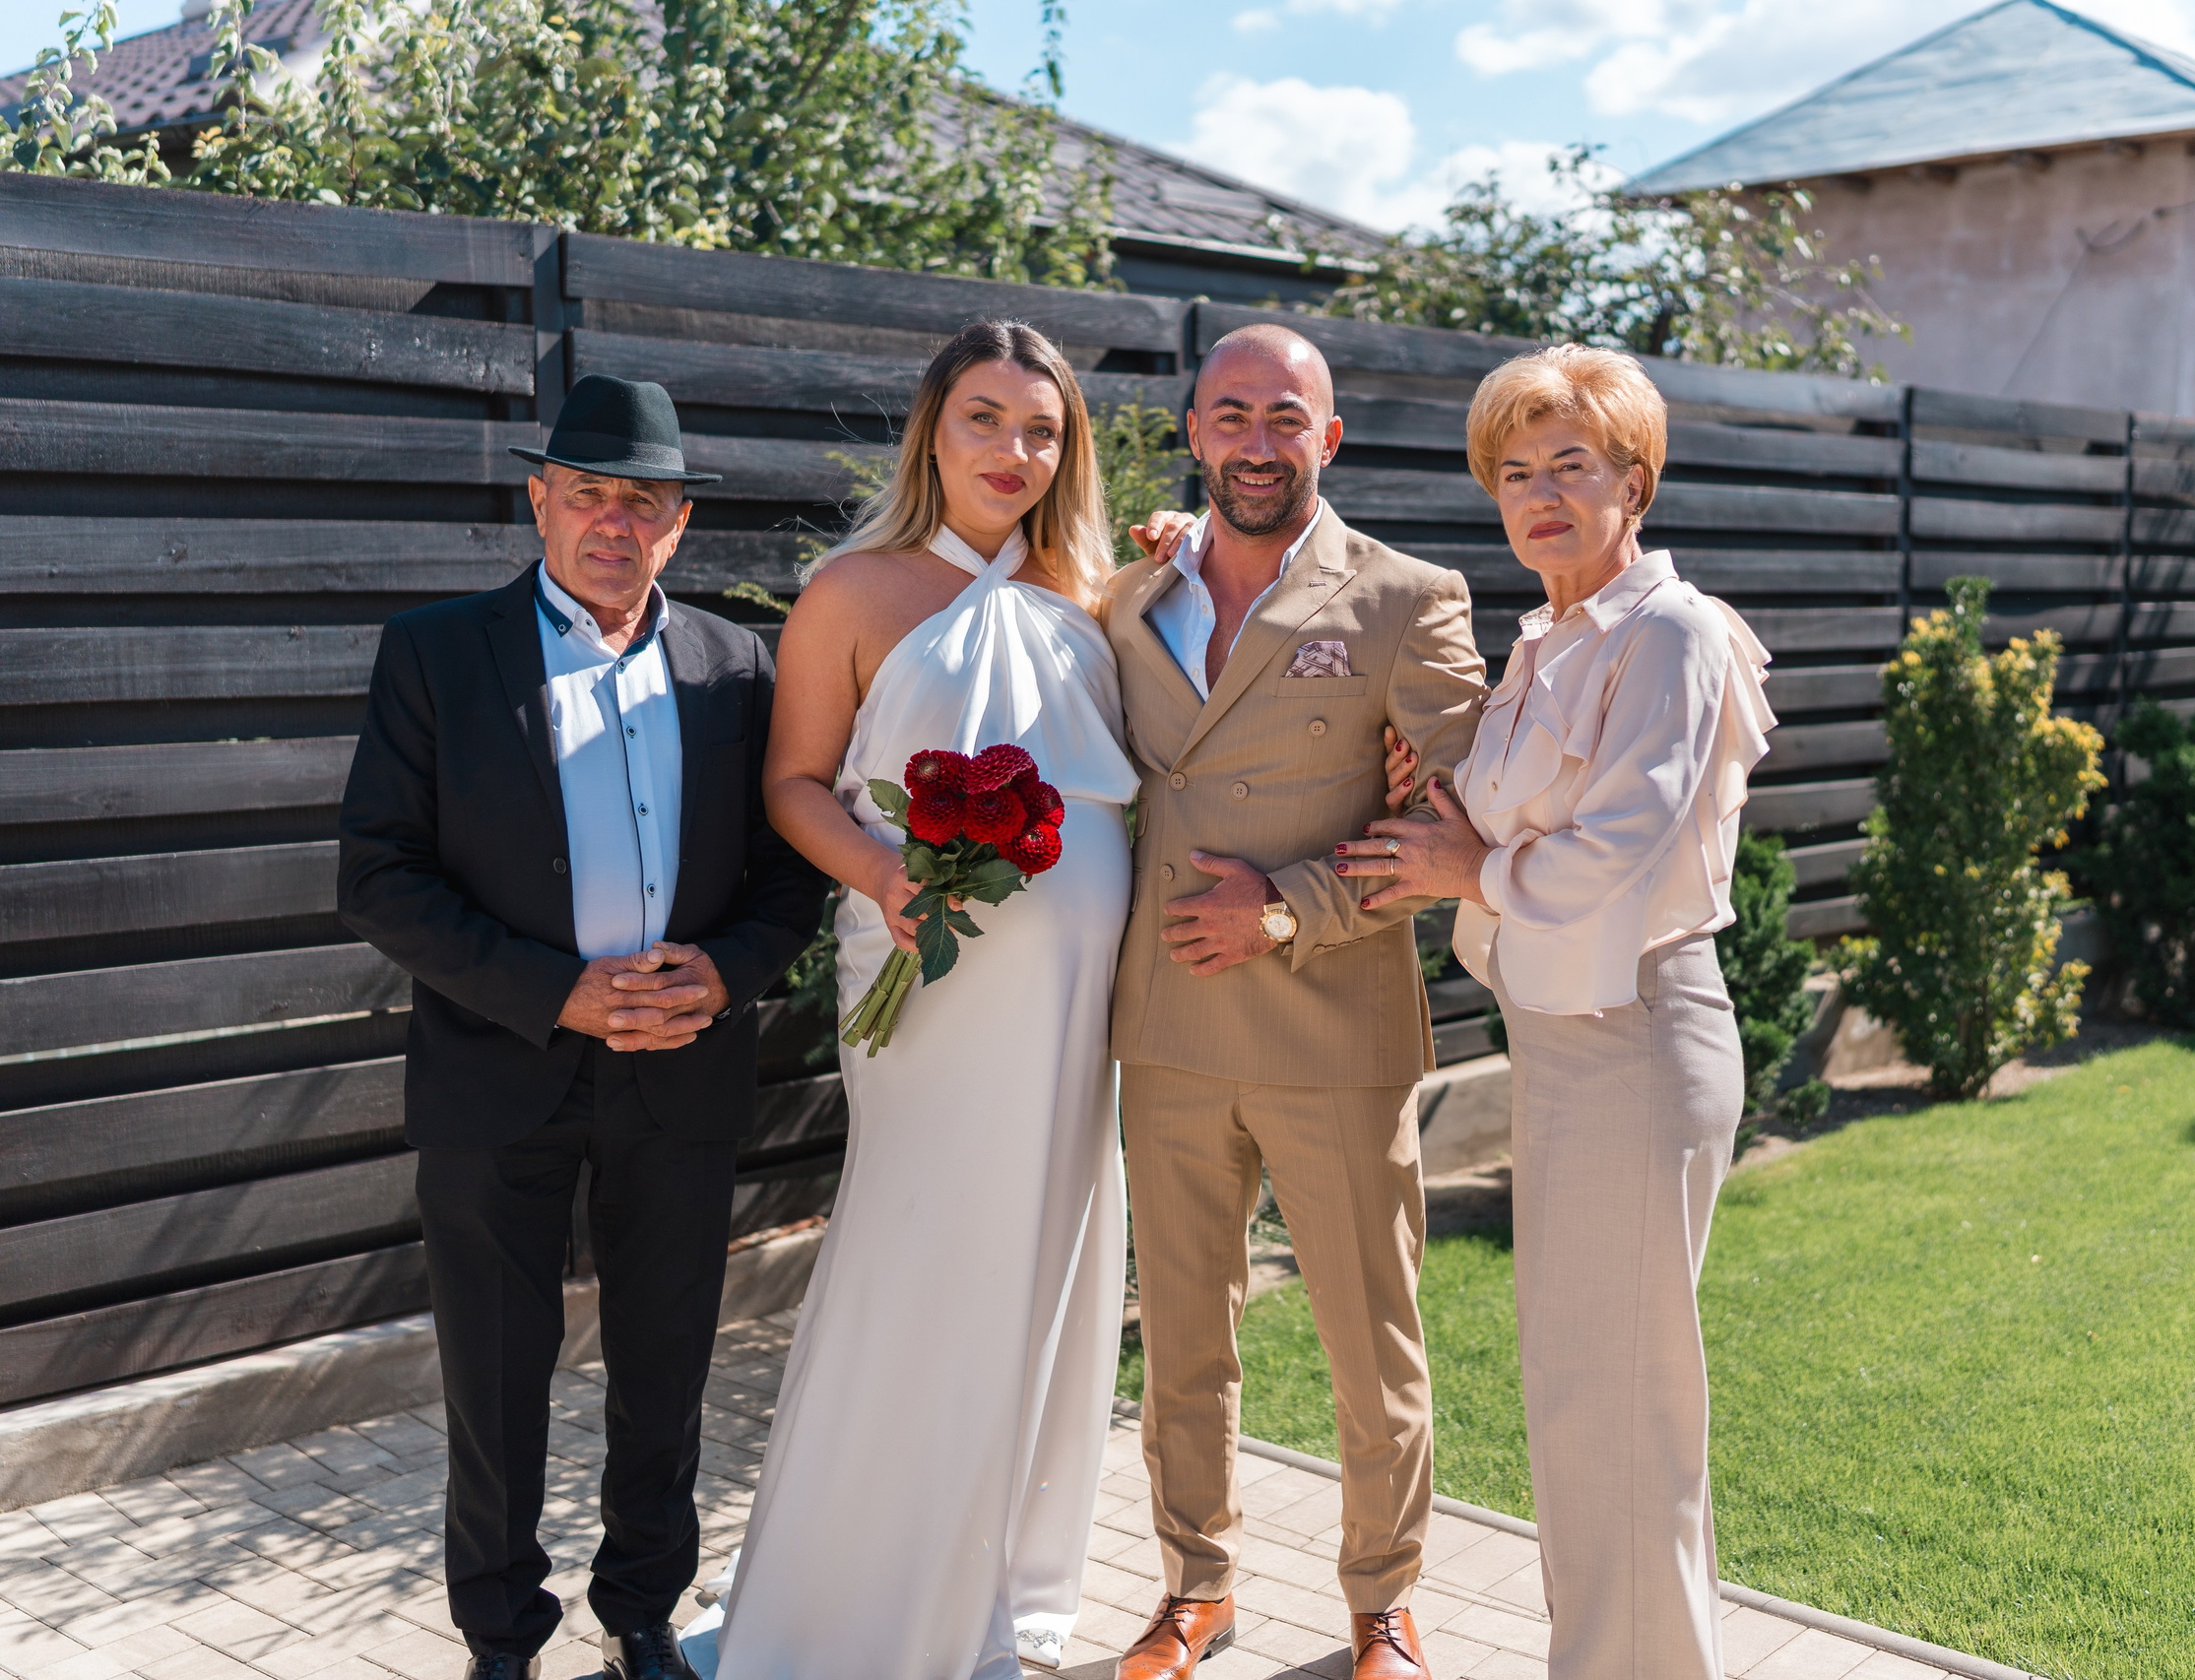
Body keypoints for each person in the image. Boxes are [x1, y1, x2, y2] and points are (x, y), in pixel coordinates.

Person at [337, 375, 826, 1680]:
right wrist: (554, 988)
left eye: (645, 501)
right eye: (590, 494)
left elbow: (790, 875)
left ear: (679, 523)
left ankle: (646, 1617)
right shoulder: (438, 652)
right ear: (540, 499)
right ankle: (501, 1638)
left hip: (683, 1072)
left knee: (664, 1366)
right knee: (494, 1379)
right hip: (498, 1073)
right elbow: (377, 874)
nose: (615, 522)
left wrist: (724, 973)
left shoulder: (737, 666)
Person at [708, 321, 1139, 1680]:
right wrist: (886, 871)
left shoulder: (1095, 598)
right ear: (930, 432)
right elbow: (791, 785)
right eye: (983, 419)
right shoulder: (852, 588)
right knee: (918, 1257)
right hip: (925, 996)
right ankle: (857, 1602)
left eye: (1042, 429)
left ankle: (996, 1575)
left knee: (1042, 1270)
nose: (1013, 450)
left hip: (1075, 1013)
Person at [1344, 344, 1775, 1680]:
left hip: (1640, 1033)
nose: (1538, 494)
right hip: (1567, 1045)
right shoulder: (1544, 641)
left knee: (1616, 1415)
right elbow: (1498, 833)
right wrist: (1440, 804)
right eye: (1514, 472)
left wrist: (1465, 864)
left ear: (1633, 480)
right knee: (1594, 1407)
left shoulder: (1670, 632)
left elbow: (1619, 845)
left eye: (1569, 466)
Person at [1103, 324, 1486, 1680]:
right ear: (1194, 432)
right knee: (1184, 1336)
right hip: (1167, 1024)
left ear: (1329, 438)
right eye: (1230, 416)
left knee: (1368, 1343)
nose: (1256, 441)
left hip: (1331, 1018)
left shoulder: (1406, 597)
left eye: (1285, 418)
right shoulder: (1131, 593)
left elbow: (1453, 822)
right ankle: (1192, 1588)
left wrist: (1286, 905)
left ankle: (1384, 1604)